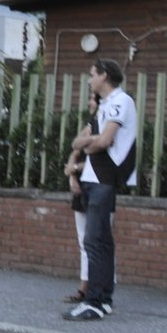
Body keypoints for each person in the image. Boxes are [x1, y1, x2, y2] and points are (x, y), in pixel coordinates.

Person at [64, 59, 137, 322]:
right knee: (102, 242)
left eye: (92, 74)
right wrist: (91, 142)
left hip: (105, 178)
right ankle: (104, 298)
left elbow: (105, 141)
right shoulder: (104, 106)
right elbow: (77, 142)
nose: (88, 79)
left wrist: (91, 143)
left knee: (94, 241)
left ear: (104, 76)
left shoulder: (121, 101)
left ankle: (93, 301)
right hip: (93, 178)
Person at [62, 90, 103, 302]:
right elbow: (75, 148)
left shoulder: (109, 127)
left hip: (99, 186)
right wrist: (72, 176)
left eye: (93, 99)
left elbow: (102, 161)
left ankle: (99, 289)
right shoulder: (91, 124)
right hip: (82, 187)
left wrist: (75, 168)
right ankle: (84, 288)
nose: (89, 102)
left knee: (99, 240)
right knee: (83, 240)